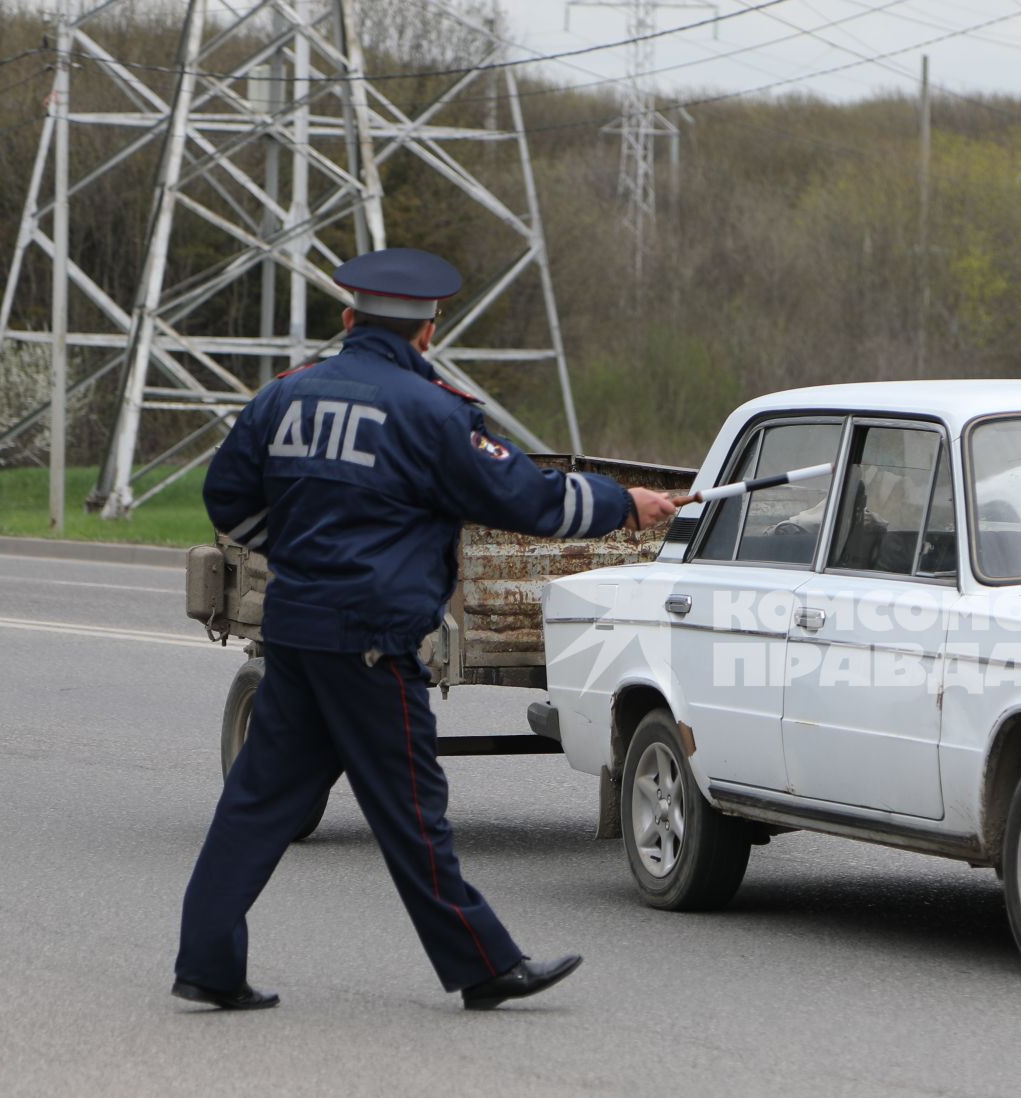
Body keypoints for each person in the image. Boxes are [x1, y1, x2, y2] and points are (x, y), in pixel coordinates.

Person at [173, 247, 676, 1012]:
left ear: (348, 320)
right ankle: (484, 966)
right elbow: (525, 501)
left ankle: (207, 961)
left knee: (256, 802)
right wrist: (624, 506)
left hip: (300, 632)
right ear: (428, 333)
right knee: (413, 814)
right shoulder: (432, 413)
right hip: (373, 642)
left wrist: (302, 557)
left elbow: (227, 498)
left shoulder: (284, 398)